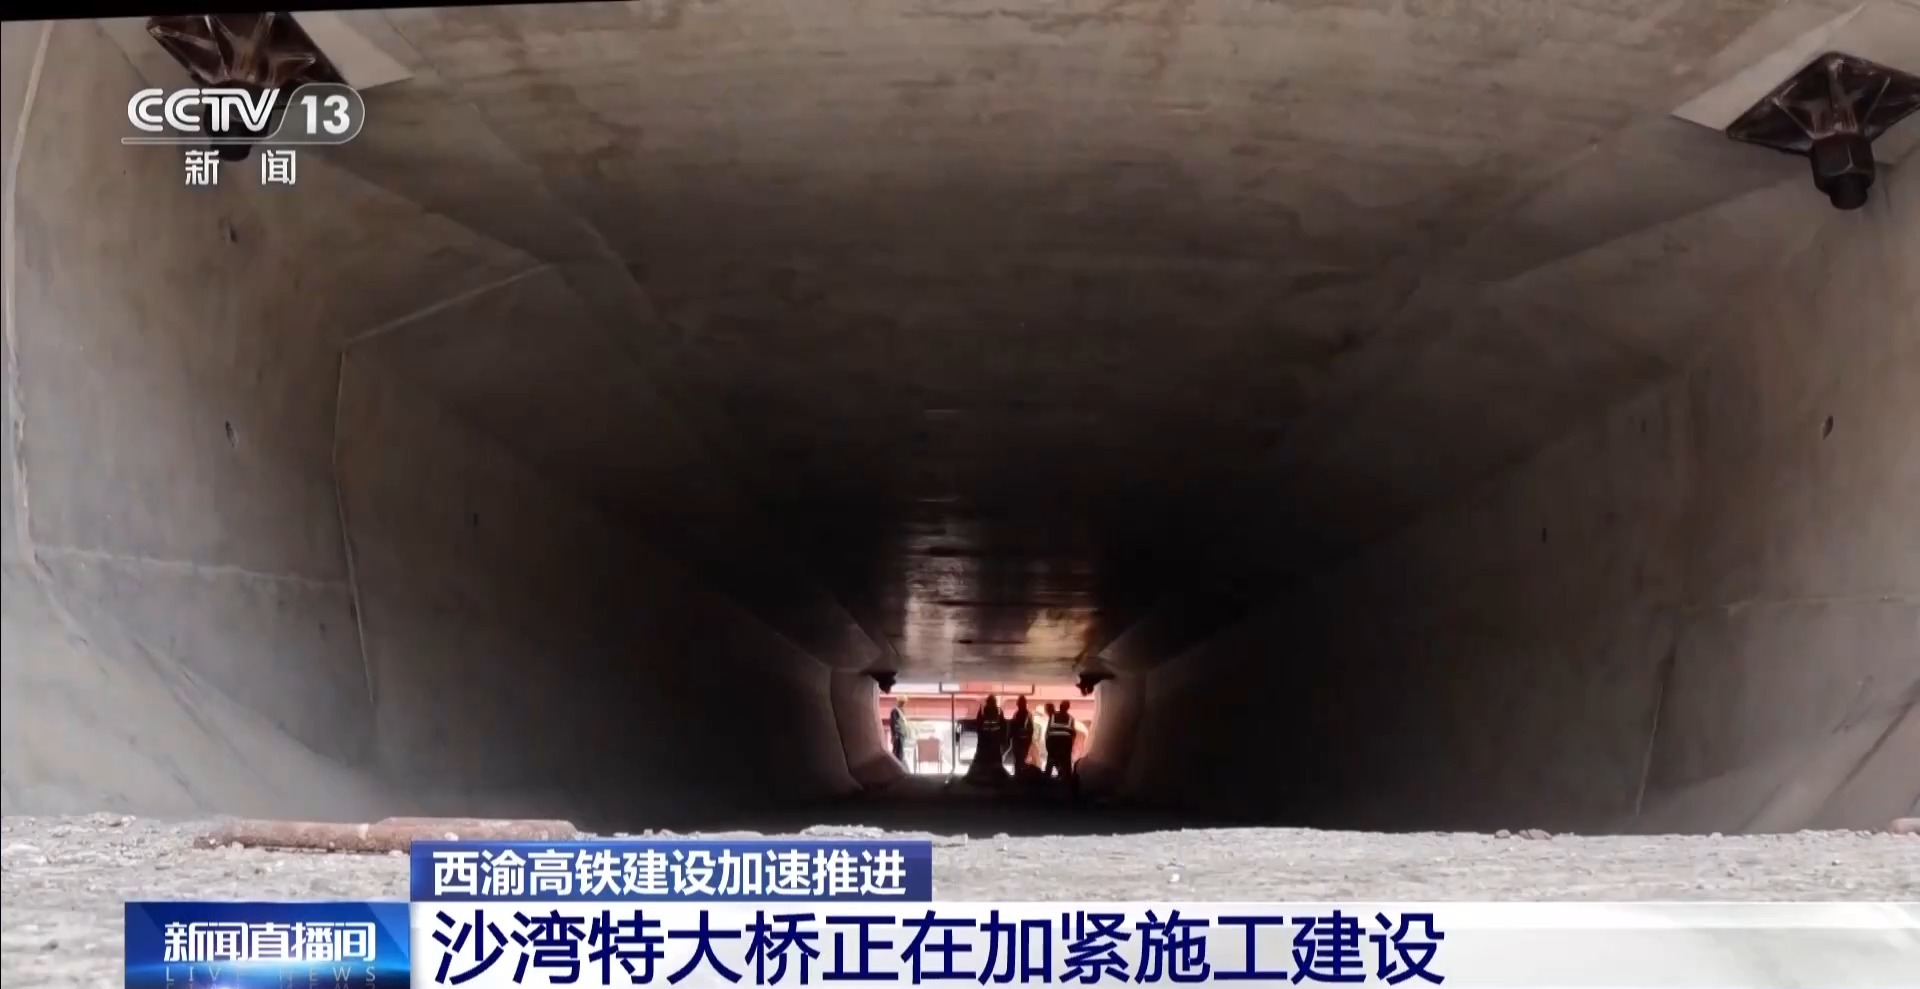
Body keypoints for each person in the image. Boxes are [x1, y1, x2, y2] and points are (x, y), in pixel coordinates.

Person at [1044, 700, 1076, 781]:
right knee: (1065, 761)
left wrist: (1047, 744)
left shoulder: (1053, 716)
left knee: (1051, 760)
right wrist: (1071, 745)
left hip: (1053, 741)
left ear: (1060, 706)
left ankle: (1047, 778)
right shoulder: (1071, 718)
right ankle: (1066, 778)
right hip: (1065, 742)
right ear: (1068, 708)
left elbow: (1048, 731)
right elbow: (1073, 734)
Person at [1006, 696, 1034, 774]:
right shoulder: (1028, 715)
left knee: (1018, 759)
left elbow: (1012, 728)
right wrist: (1030, 741)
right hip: (1024, 741)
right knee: (1022, 759)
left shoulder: (1016, 714)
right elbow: (1031, 730)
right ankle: (1021, 775)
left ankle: (1018, 775)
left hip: (1017, 740)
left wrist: (1009, 738)